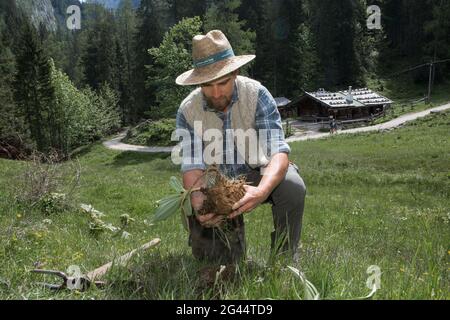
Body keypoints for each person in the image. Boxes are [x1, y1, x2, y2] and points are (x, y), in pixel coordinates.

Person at [175, 30, 306, 264]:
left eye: (223, 82)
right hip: (213, 180)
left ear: (235, 72)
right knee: (220, 265)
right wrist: (197, 202)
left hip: (258, 170)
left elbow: (278, 151)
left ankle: (284, 262)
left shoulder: (257, 94)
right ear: (198, 82)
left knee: (292, 186)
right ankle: (228, 257)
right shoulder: (187, 110)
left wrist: (262, 191)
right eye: (207, 85)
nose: (216, 93)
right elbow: (192, 165)